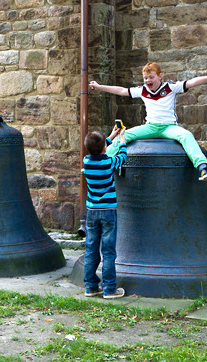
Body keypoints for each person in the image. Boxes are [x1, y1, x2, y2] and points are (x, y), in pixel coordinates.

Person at [89, 63, 207, 181]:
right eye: (145, 78)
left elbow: (193, 82)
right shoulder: (142, 90)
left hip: (169, 127)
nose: (148, 80)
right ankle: (100, 162)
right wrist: (100, 86)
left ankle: (203, 168)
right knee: (123, 136)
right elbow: (121, 90)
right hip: (150, 127)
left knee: (186, 136)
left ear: (160, 76)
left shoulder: (171, 87)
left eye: (151, 77)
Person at [82, 125, 127, 299]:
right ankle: (109, 289)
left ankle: (91, 286)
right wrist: (121, 139)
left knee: (91, 249)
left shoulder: (86, 161)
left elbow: (98, 149)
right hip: (108, 212)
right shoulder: (109, 163)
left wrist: (111, 136)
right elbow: (122, 157)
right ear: (104, 148)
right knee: (108, 251)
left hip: (92, 212)